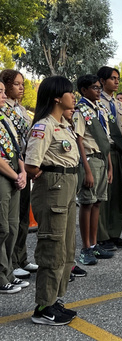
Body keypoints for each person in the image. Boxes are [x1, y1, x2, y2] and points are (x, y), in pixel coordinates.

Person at [25, 76, 79, 325]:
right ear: (57, 97)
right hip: (54, 187)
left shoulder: (64, 125)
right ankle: (43, 307)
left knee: (67, 247)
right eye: (69, 92)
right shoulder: (44, 126)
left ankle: (55, 297)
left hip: (68, 185)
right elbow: (32, 165)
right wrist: (50, 180)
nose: (73, 96)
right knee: (52, 247)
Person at [0, 69, 38, 279]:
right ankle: (10, 261)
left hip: (23, 163)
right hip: (11, 164)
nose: (21, 87)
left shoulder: (22, 109)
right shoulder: (4, 110)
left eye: (22, 83)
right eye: (16, 84)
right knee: (10, 219)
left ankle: (21, 256)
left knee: (22, 215)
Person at [73, 74, 114, 265]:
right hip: (89, 160)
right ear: (84, 90)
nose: (98, 91)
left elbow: (105, 140)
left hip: (102, 160)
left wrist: (110, 166)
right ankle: (85, 247)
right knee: (87, 203)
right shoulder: (80, 111)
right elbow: (79, 140)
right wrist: (86, 169)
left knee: (97, 203)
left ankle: (94, 244)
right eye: (95, 88)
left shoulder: (99, 109)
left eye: (99, 87)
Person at [0, 79, 29, 294]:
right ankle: (2, 277)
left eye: (3, 91)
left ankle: (9, 271)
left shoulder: (4, 118)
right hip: (4, 175)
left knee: (12, 226)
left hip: (14, 173)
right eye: (0, 92)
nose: (3, 96)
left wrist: (23, 171)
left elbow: (17, 146)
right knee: (1, 228)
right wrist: (16, 175)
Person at [97, 66, 122, 251]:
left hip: (118, 151)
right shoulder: (97, 102)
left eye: (118, 78)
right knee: (103, 194)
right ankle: (102, 235)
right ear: (102, 81)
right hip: (104, 150)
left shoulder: (118, 104)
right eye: (112, 78)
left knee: (117, 194)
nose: (116, 81)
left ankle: (114, 232)